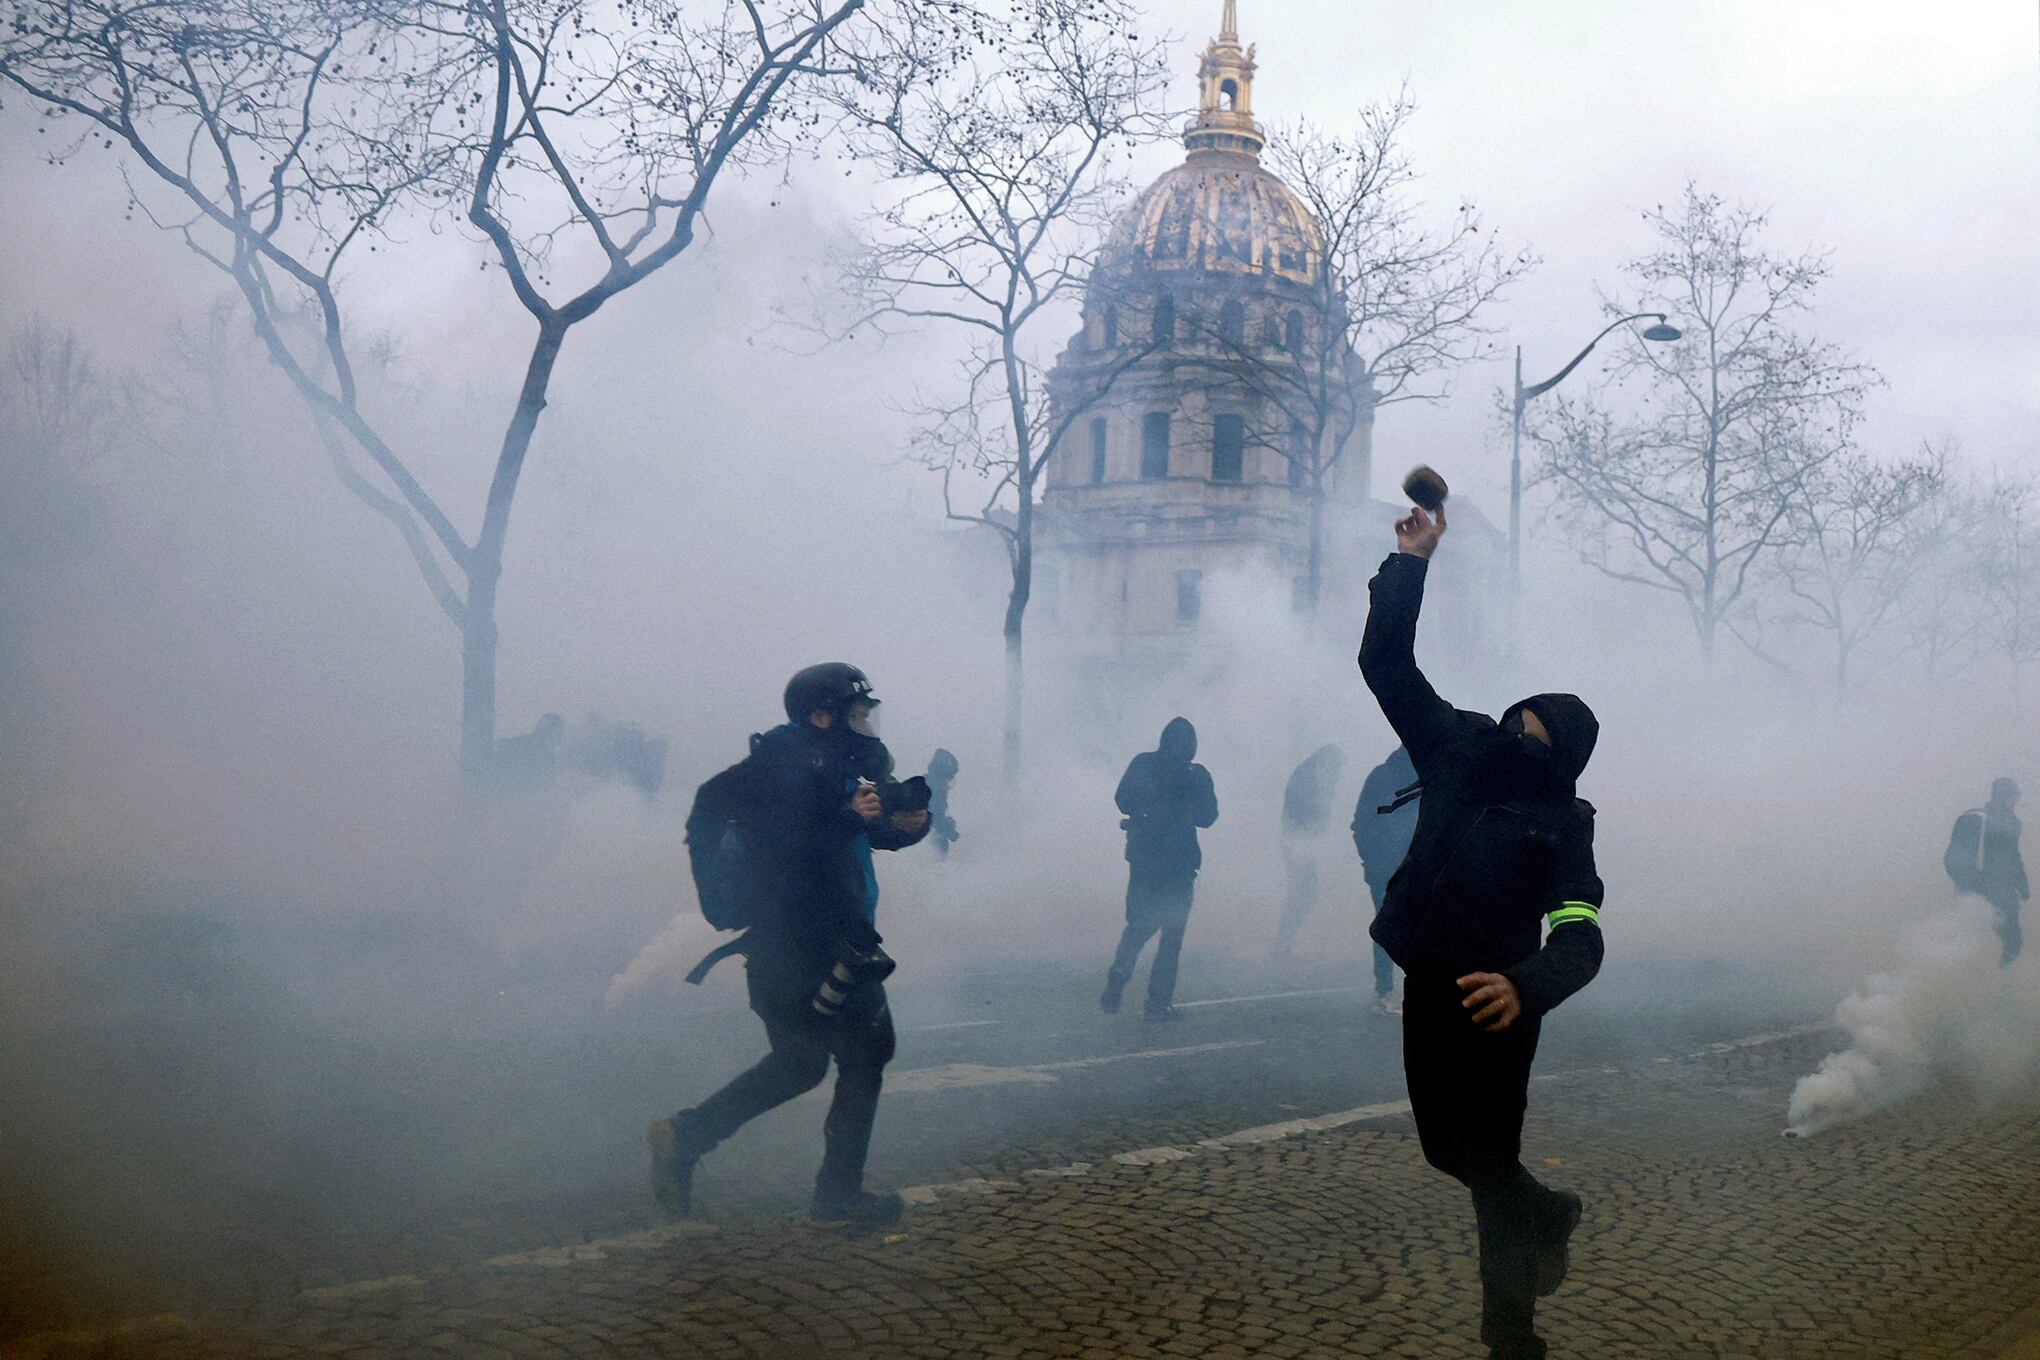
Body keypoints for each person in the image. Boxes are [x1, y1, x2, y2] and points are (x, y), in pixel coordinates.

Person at [1358, 500, 1606, 1360]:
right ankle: (1550, 1209)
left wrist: (1525, 986)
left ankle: (1511, 1339)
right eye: (1517, 724)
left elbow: (1581, 934)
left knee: (1489, 1173)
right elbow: (1386, 663)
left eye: (1539, 740)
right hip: (1428, 977)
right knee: (1446, 1152)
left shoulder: (1565, 825)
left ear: (1564, 760)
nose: (1518, 742)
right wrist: (1410, 564)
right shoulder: (1458, 750)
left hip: (1497, 1006)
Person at [648, 664, 930, 1227]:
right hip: (814, 944)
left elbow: (863, 832)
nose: (864, 723)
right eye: (855, 713)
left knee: (799, 1063)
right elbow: (790, 842)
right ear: (821, 716)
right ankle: (837, 1196)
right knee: (867, 1054)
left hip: (788, 950)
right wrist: (846, 815)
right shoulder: (782, 769)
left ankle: (686, 1136)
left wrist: (907, 824)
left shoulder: (832, 766)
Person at [1101, 717, 1219, 1022]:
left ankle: (1122, 967)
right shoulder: (1196, 774)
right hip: (1180, 863)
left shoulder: (1144, 763)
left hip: (1143, 858)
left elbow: (1122, 799)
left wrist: (1145, 811)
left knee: (1140, 921)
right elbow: (1208, 817)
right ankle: (1157, 1004)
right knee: (1172, 933)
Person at [1352, 745, 1418, 1012]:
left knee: (1401, 926)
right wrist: (1374, 860)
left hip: (1407, 866)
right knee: (1391, 926)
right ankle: (1386, 989)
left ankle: (1390, 989)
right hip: (1390, 868)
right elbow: (1363, 824)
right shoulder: (1386, 778)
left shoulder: (1389, 775)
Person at [1945, 777, 2029, 966]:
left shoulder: (2012, 823)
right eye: (2012, 795)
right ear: (2000, 796)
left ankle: (2000, 987)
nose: (2015, 800)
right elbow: (1955, 859)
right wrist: (1972, 887)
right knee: (1975, 944)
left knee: (2011, 943)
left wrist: (2022, 886)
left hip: (2003, 893)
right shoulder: (1975, 819)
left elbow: (2013, 857)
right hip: (1983, 892)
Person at [1272, 745, 1345, 958]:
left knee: (1303, 894)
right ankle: (1282, 945)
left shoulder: (1307, 775)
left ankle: (1283, 944)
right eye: (1337, 769)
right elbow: (1311, 814)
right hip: (1298, 844)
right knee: (1305, 894)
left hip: (1297, 843)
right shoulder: (1310, 778)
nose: (1338, 775)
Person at [926, 747, 962, 858]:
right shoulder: (937, 788)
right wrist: (951, 832)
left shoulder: (927, 781)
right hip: (931, 841)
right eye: (950, 775)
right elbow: (935, 818)